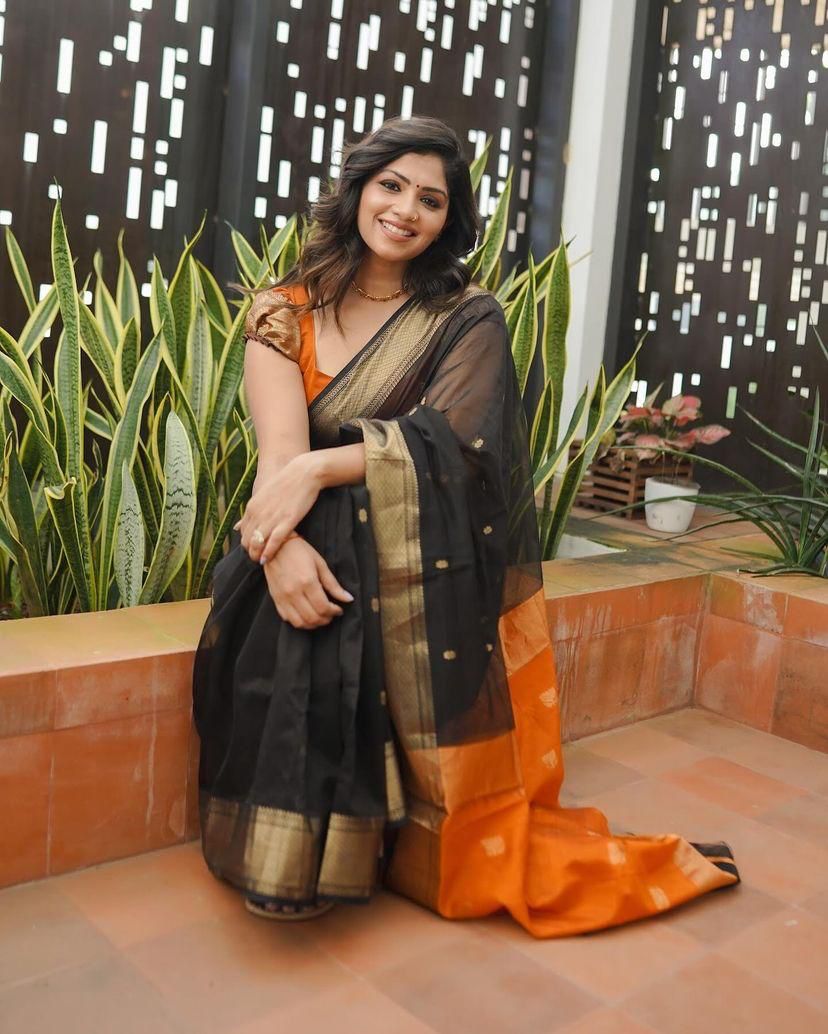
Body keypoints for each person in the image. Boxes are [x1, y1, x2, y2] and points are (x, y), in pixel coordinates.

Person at [192, 115, 738, 935]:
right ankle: (298, 855)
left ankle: (365, 845)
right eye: (392, 186)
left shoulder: (464, 315)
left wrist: (318, 469)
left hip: (413, 548)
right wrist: (280, 550)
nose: (406, 210)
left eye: (431, 199)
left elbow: (460, 445)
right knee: (290, 623)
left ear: (449, 218)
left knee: (339, 618)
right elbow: (279, 457)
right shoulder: (283, 308)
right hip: (299, 530)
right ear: (358, 189)